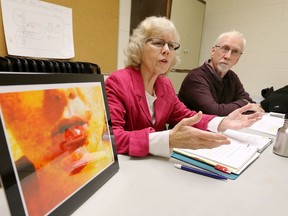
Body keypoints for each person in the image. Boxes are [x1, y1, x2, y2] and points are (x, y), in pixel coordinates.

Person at [105, 16, 262, 158]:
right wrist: (167, 139)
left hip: (154, 164)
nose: (167, 50)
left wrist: (222, 123)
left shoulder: (165, 85)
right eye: (158, 43)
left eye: (171, 46)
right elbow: (111, 137)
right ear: (139, 47)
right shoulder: (117, 82)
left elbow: (186, 115)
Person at [178, 30, 264, 116]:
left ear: (237, 59)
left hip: (220, 127)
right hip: (189, 128)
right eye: (225, 49)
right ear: (213, 51)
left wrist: (245, 104)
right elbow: (214, 111)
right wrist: (244, 104)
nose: (228, 56)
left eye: (235, 52)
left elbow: (251, 103)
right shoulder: (196, 77)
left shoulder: (232, 77)